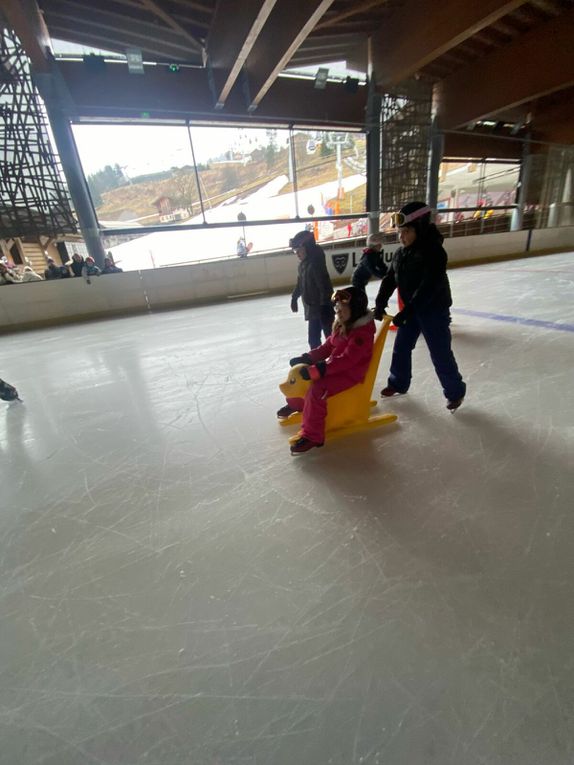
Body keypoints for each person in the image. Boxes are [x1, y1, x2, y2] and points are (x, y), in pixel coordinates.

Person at [374, 201, 466, 412]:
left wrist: (407, 311)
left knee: (440, 352)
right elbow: (390, 279)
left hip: (433, 311)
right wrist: (380, 303)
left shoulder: (434, 252)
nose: (401, 236)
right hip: (413, 311)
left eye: (406, 231)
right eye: (400, 232)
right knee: (401, 347)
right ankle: (398, 382)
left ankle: (455, 392)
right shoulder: (401, 253)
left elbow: (428, 288)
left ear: (420, 228)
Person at [278, 287, 376, 454]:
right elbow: (328, 346)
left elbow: (348, 360)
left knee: (317, 388)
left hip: (350, 374)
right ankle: (299, 404)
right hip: (337, 368)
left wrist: (321, 369)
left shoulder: (361, 334)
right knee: (303, 374)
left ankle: (313, 435)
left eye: (341, 309)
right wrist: (308, 358)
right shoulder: (342, 324)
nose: (337, 312)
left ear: (356, 309)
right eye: (336, 308)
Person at [289, 230, 334, 349]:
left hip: (323, 309)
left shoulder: (316, 263)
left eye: (298, 249)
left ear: (308, 247)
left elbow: (324, 286)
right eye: (295, 251)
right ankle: (317, 363)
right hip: (312, 309)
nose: (297, 253)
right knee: (313, 340)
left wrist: (325, 306)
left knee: (331, 338)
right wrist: (294, 297)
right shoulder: (303, 264)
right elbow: (300, 283)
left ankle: (337, 361)